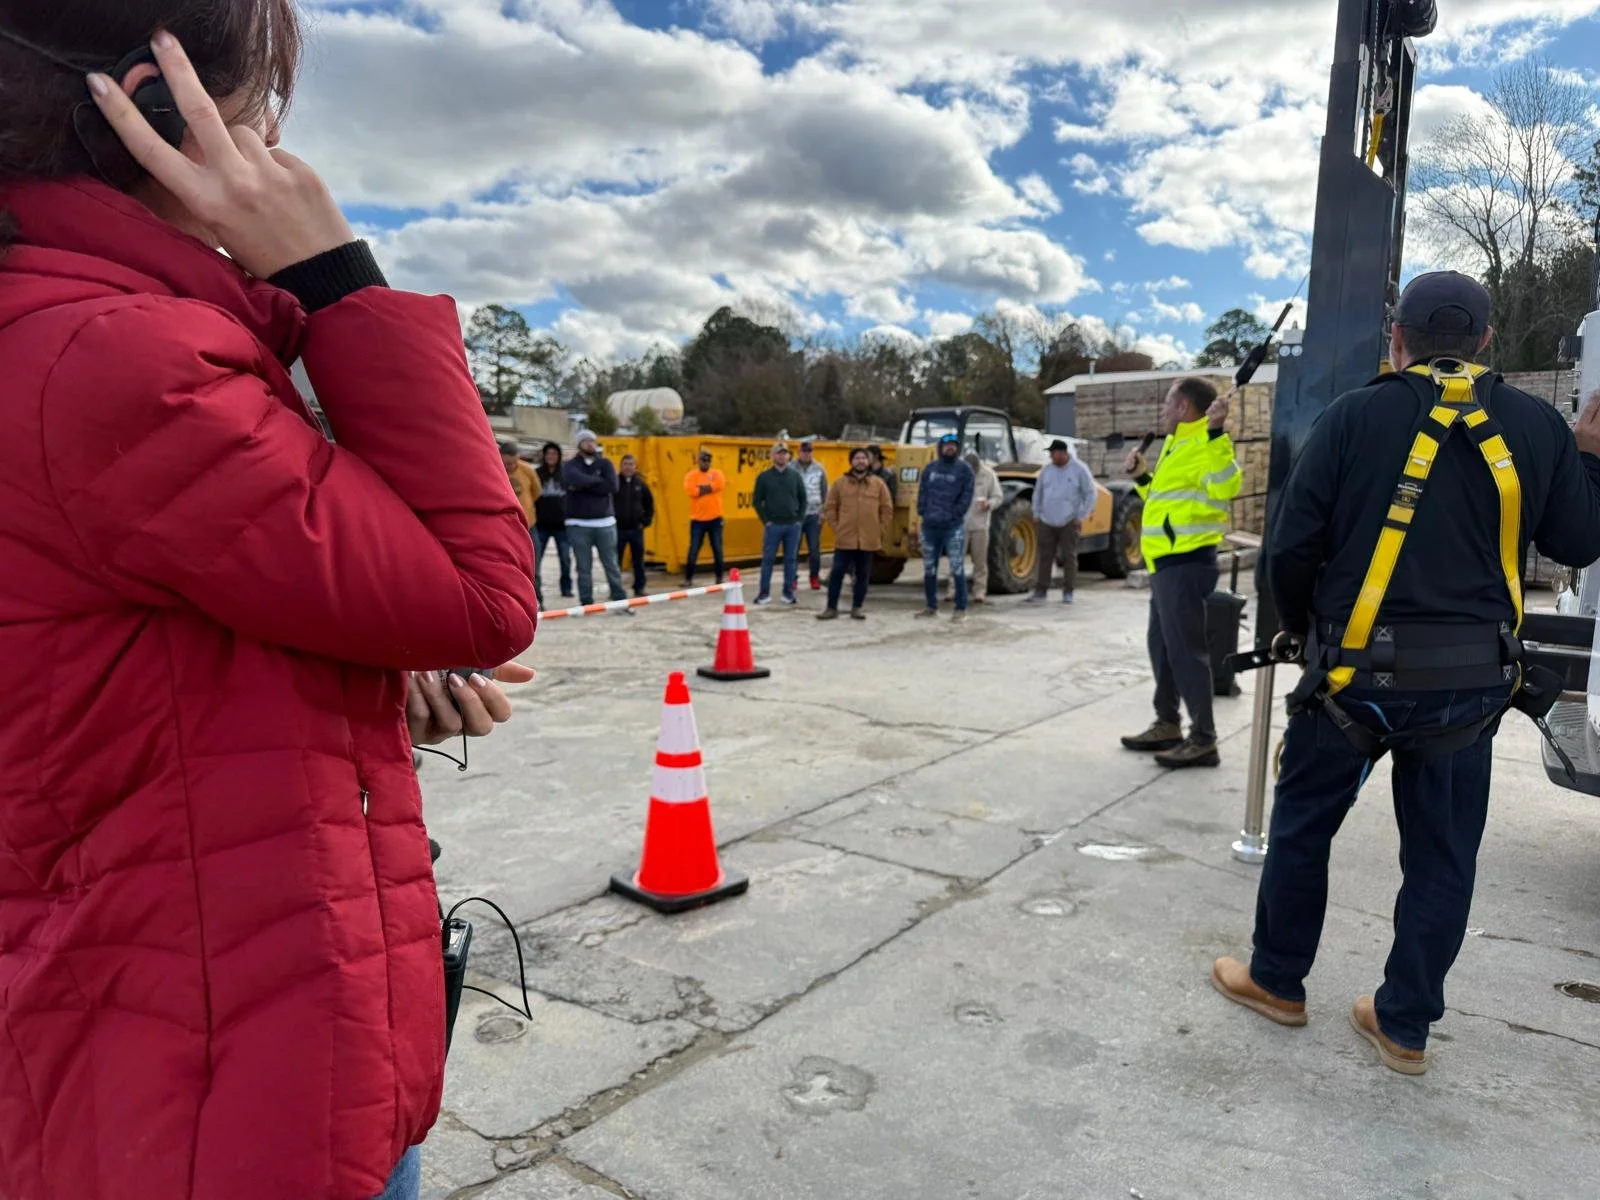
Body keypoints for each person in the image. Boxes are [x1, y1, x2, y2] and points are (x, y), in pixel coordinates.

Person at [0, 17, 539, 1200]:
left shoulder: (48, 321)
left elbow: (110, 676)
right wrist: (336, 275)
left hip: (139, 1007)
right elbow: (483, 591)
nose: (278, 158)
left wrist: (364, 685)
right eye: (262, 120)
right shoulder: (121, 357)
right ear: (156, 108)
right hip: (223, 1068)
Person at [1212, 271, 1600, 1075]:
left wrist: (1297, 633)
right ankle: (1404, 1026)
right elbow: (1578, 541)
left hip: (1353, 683)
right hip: (1470, 691)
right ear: (1487, 341)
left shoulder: (1355, 415)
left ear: (1399, 338)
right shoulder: (1533, 425)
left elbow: (1289, 548)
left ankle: (1278, 981)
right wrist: (1590, 456)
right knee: (1442, 857)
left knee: (1302, 830)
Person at [1119, 378, 1241, 768]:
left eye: (1169, 404)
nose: (1164, 411)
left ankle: (1203, 738)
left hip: (1186, 562)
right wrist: (1141, 477)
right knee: (1164, 648)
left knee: (1187, 653)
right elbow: (1163, 502)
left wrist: (1217, 432)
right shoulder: (1177, 445)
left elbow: (1227, 485)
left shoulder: (1206, 442)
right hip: (1164, 563)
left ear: (1185, 408)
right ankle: (1167, 723)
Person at [818, 447, 895, 620]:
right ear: (851, 462)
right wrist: (837, 527)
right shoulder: (840, 484)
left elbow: (887, 509)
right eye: (857, 458)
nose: (861, 461)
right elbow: (830, 507)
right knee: (837, 572)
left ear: (869, 462)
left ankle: (857, 607)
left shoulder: (878, 484)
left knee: (862, 575)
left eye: (864, 458)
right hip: (845, 538)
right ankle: (831, 608)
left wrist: (879, 529)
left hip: (868, 539)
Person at [562, 429, 630, 612]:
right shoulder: (570, 465)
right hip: (578, 524)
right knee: (583, 567)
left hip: (605, 523)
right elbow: (570, 479)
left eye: (592, 441)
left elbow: (613, 486)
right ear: (579, 444)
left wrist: (583, 485)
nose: (590, 444)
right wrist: (598, 482)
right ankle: (586, 603)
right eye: (586, 441)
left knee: (611, 564)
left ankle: (620, 601)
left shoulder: (605, 463)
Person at [1027, 439, 1098, 605]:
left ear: (1063, 453)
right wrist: (1036, 513)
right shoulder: (1046, 471)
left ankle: (1068, 591)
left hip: (1069, 521)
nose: (1051, 456)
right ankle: (1041, 590)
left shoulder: (1079, 469)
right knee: (1045, 556)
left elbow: (1090, 494)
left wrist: (1081, 515)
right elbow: (1038, 493)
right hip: (1047, 520)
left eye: (1054, 453)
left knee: (1069, 557)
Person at [916, 433, 976, 622]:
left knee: (957, 568)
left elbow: (967, 496)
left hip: (952, 527)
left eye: (953, 445)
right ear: (940, 447)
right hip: (930, 527)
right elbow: (922, 492)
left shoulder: (965, 470)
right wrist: (922, 511)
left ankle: (961, 608)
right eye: (947, 445)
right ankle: (931, 606)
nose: (950, 448)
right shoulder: (930, 469)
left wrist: (955, 514)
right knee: (929, 568)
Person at [753, 441, 807, 606]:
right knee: (768, 559)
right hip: (773, 526)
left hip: (792, 526)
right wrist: (766, 521)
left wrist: (799, 519)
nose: (782, 456)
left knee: (790, 560)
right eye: (778, 453)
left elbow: (803, 499)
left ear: (789, 456)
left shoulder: (795, 476)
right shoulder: (764, 477)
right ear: (772, 456)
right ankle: (764, 594)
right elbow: (757, 501)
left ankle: (788, 594)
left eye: (784, 453)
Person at [535, 441, 574, 603]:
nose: (551, 457)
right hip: (541, 525)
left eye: (554, 454)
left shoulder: (566, 475)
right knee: (536, 559)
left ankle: (566, 588)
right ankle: (535, 590)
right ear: (544, 456)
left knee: (565, 558)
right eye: (548, 454)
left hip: (562, 525)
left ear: (559, 457)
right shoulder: (536, 473)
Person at [965, 451, 1004, 604]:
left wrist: (989, 504)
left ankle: (979, 591)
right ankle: (953, 590)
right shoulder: (959, 472)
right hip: (960, 525)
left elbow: (998, 496)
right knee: (956, 561)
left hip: (980, 525)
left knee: (979, 561)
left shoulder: (988, 475)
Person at [683, 449, 726, 586]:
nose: (705, 463)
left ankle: (719, 577)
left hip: (715, 518)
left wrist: (701, 489)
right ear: (698, 461)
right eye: (703, 460)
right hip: (697, 520)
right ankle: (688, 578)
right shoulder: (691, 475)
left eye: (708, 460)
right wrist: (708, 488)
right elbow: (691, 491)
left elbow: (719, 485)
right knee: (693, 549)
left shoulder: (717, 473)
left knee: (717, 549)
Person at [615, 453, 655, 597]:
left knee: (638, 561)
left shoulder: (640, 484)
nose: (628, 467)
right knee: (615, 561)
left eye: (631, 464)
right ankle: (616, 588)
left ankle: (639, 587)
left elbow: (650, 504)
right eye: (625, 464)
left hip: (636, 529)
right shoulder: (615, 483)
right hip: (618, 529)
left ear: (635, 466)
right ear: (621, 466)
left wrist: (645, 522)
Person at [797, 439, 830, 591]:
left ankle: (814, 577)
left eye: (809, 451)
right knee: (793, 549)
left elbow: (825, 491)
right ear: (799, 452)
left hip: (814, 515)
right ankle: (792, 579)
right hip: (795, 515)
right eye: (804, 451)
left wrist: (823, 511)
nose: (807, 454)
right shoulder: (791, 468)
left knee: (814, 549)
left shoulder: (819, 469)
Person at [501, 438, 542, 541]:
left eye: (514, 462)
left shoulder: (527, 470)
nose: (511, 466)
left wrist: (526, 503)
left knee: (534, 553)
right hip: (503, 523)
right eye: (507, 463)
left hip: (527, 520)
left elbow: (536, 491)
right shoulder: (494, 471)